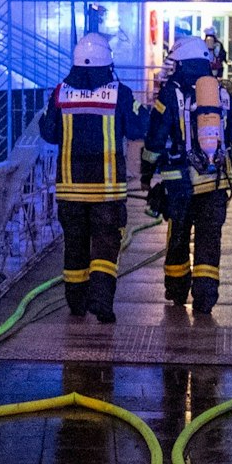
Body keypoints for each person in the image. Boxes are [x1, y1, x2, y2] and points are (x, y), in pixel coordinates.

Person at [39, 32, 146, 323]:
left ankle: (76, 304)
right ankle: (101, 303)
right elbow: (138, 128)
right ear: (107, 62)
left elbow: (49, 133)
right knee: (105, 245)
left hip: (70, 189)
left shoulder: (60, 92)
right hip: (107, 190)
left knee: (75, 245)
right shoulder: (119, 93)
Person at [143, 35, 232, 314]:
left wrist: (146, 170)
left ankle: (177, 292)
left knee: (178, 237)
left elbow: (155, 137)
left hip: (180, 184)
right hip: (215, 182)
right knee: (209, 241)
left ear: (181, 62)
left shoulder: (170, 93)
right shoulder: (222, 94)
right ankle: (205, 299)